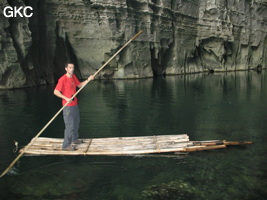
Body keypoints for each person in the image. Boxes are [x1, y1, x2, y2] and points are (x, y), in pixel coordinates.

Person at [54, 62, 94, 151]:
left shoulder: (73, 77)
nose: (72, 69)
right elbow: (56, 92)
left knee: (76, 122)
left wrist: (88, 79)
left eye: (73, 67)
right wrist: (66, 98)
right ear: (66, 69)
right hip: (67, 106)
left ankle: (74, 139)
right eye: (70, 67)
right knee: (70, 126)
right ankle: (66, 146)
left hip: (75, 105)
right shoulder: (62, 79)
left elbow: (79, 85)